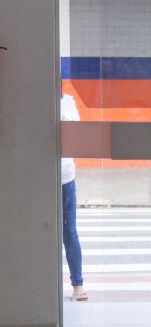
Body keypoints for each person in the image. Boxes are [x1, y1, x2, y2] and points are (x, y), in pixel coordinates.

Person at [61, 93, 88, 301]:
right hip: (43, 178)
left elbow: (78, 135)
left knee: (70, 231)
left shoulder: (68, 101)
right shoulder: (40, 101)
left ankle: (77, 284)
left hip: (66, 177)